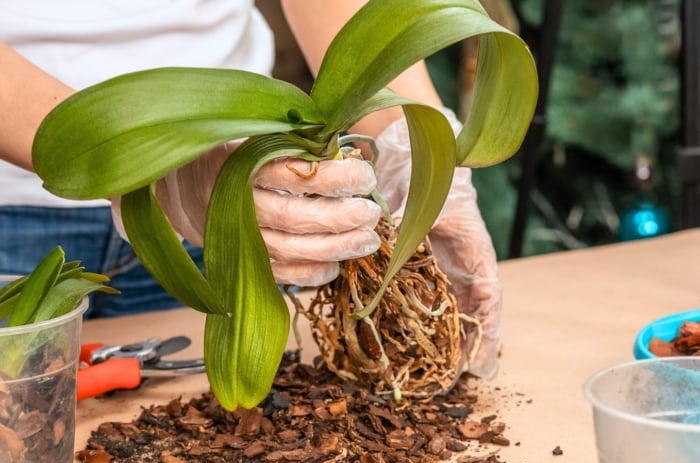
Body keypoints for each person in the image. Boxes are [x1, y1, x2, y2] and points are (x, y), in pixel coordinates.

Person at [0, 0, 502, 379]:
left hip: (236, 184)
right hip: (13, 206)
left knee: (234, 392)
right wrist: (139, 157)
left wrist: (405, 135)